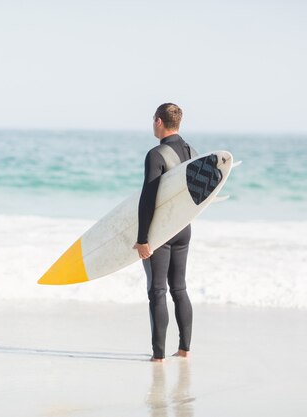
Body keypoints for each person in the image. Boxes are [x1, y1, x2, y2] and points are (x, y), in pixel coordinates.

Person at [133, 103, 195, 363]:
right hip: (184, 229)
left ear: (159, 121)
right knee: (179, 288)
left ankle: (158, 356)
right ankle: (184, 349)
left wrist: (142, 239)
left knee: (157, 290)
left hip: (161, 232)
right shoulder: (193, 152)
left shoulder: (157, 154)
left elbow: (148, 198)